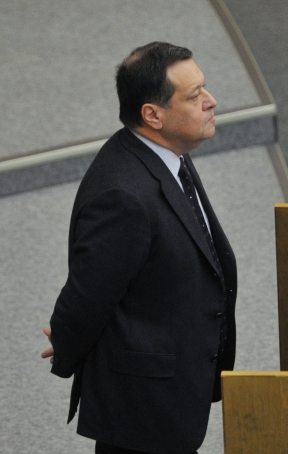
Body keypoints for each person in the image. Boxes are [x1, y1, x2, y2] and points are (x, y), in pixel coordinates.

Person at [40, 41, 237, 454]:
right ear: (153, 115)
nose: (211, 101)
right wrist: (68, 340)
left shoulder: (165, 152)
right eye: (195, 96)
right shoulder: (123, 196)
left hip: (173, 394)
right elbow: (89, 293)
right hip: (144, 411)